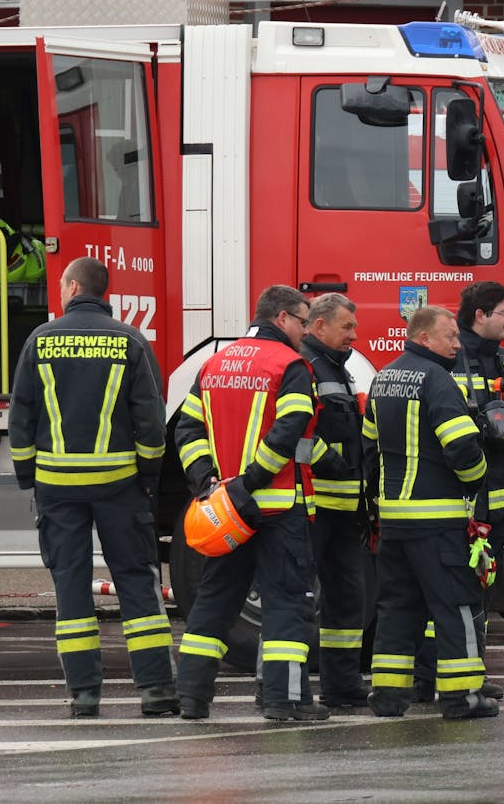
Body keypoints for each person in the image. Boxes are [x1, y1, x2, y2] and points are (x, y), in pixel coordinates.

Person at [7, 257, 177, 718]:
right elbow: (150, 421)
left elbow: (20, 418)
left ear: (74, 286)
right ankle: (157, 690)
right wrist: (148, 479)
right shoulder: (130, 341)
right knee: (137, 583)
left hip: (58, 489)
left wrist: (30, 479)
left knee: (72, 588)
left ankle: (84, 695)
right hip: (120, 486)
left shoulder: (39, 342)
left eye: (61, 284)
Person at [173, 285, 328, 722]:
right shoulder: (291, 365)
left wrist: (208, 483)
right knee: (287, 604)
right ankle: (282, 700)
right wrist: (251, 482)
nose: (304, 330)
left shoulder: (215, 364)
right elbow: (290, 430)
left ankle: (191, 697)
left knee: (215, 599)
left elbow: (186, 430)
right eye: (302, 320)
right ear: (281, 319)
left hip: (227, 512)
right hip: (277, 509)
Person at [363, 306, 497, 720]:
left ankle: (388, 697)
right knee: (455, 606)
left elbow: (368, 451)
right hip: (437, 521)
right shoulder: (437, 380)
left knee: (397, 610)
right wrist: (476, 481)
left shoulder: (382, 378)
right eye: (450, 337)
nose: (457, 344)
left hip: (395, 522)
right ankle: (462, 698)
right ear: (423, 338)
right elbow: (461, 447)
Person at [412, 281, 504, 701]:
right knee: (446, 595)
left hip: (497, 500)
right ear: (480, 315)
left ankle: (472, 672)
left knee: (479, 591)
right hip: (457, 504)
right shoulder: (446, 361)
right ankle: (432, 675)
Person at [297, 293, 373, 710]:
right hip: (315, 504)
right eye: (347, 327)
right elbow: (299, 431)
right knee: (301, 597)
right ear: (320, 326)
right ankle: (290, 688)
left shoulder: (338, 369)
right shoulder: (305, 367)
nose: (354, 335)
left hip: (345, 507)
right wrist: (336, 465)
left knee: (347, 597)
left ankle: (342, 684)